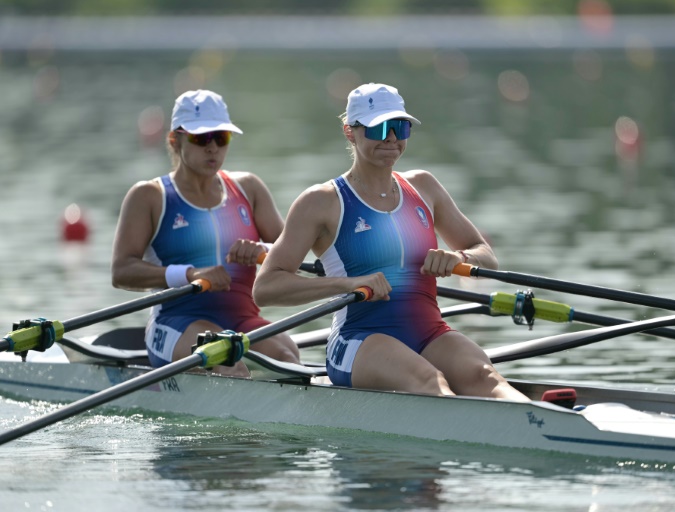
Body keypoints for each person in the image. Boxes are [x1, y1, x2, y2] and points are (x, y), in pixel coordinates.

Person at [253, 83, 528, 401]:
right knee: (429, 381)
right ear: (349, 132)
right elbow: (267, 287)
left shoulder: (424, 187)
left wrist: (459, 257)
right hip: (359, 340)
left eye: (400, 127)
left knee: (486, 378)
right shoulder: (321, 201)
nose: (392, 139)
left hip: (428, 332)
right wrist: (348, 284)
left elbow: (486, 255)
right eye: (379, 128)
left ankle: (546, 429)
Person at [112, 89, 301, 377]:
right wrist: (190, 275)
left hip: (243, 319)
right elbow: (122, 271)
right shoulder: (150, 196)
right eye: (201, 138)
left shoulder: (249, 188)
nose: (213, 148)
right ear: (175, 140)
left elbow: (291, 256)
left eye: (221, 137)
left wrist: (262, 251)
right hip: (178, 321)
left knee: (289, 358)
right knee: (226, 363)